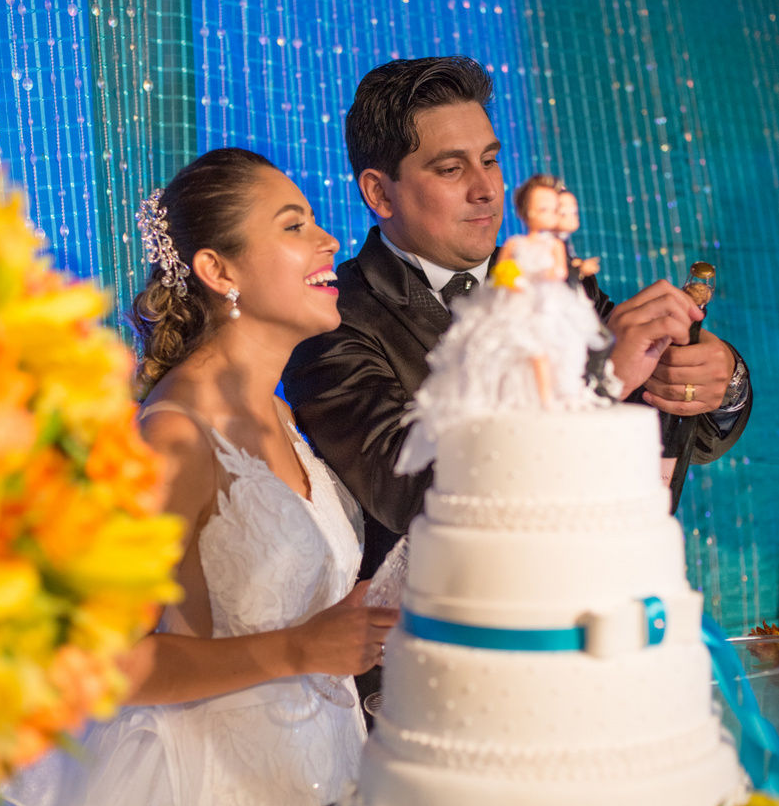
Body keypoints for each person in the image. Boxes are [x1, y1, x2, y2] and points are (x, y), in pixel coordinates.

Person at [0, 148, 397, 806]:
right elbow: (115, 663)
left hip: (318, 782)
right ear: (217, 269)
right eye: (294, 226)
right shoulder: (172, 435)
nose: (327, 241)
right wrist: (301, 649)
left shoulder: (281, 416)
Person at [283, 56, 752, 586]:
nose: (486, 188)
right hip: (449, 623)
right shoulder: (330, 320)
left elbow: (684, 431)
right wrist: (598, 380)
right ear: (379, 192)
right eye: (451, 169)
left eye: (490, 160)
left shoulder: (557, 281)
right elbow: (412, 491)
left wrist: (719, 379)